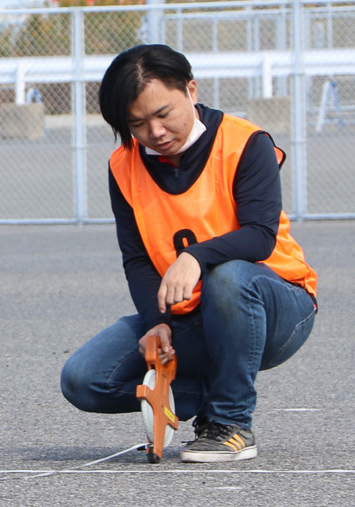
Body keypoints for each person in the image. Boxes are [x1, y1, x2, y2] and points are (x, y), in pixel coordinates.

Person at [61, 43, 319, 461]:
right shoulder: (124, 165)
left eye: (163, 114)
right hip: (192, 318)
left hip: (276, 308)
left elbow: (259, 236)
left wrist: (195, 257)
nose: (156, 132)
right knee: (84, 379)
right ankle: (213, 393)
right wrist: (157, 323)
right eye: (138, 123)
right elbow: (138, 258)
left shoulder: (245, 142)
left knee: (228, 276)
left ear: (191, 90)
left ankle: (231, 422)